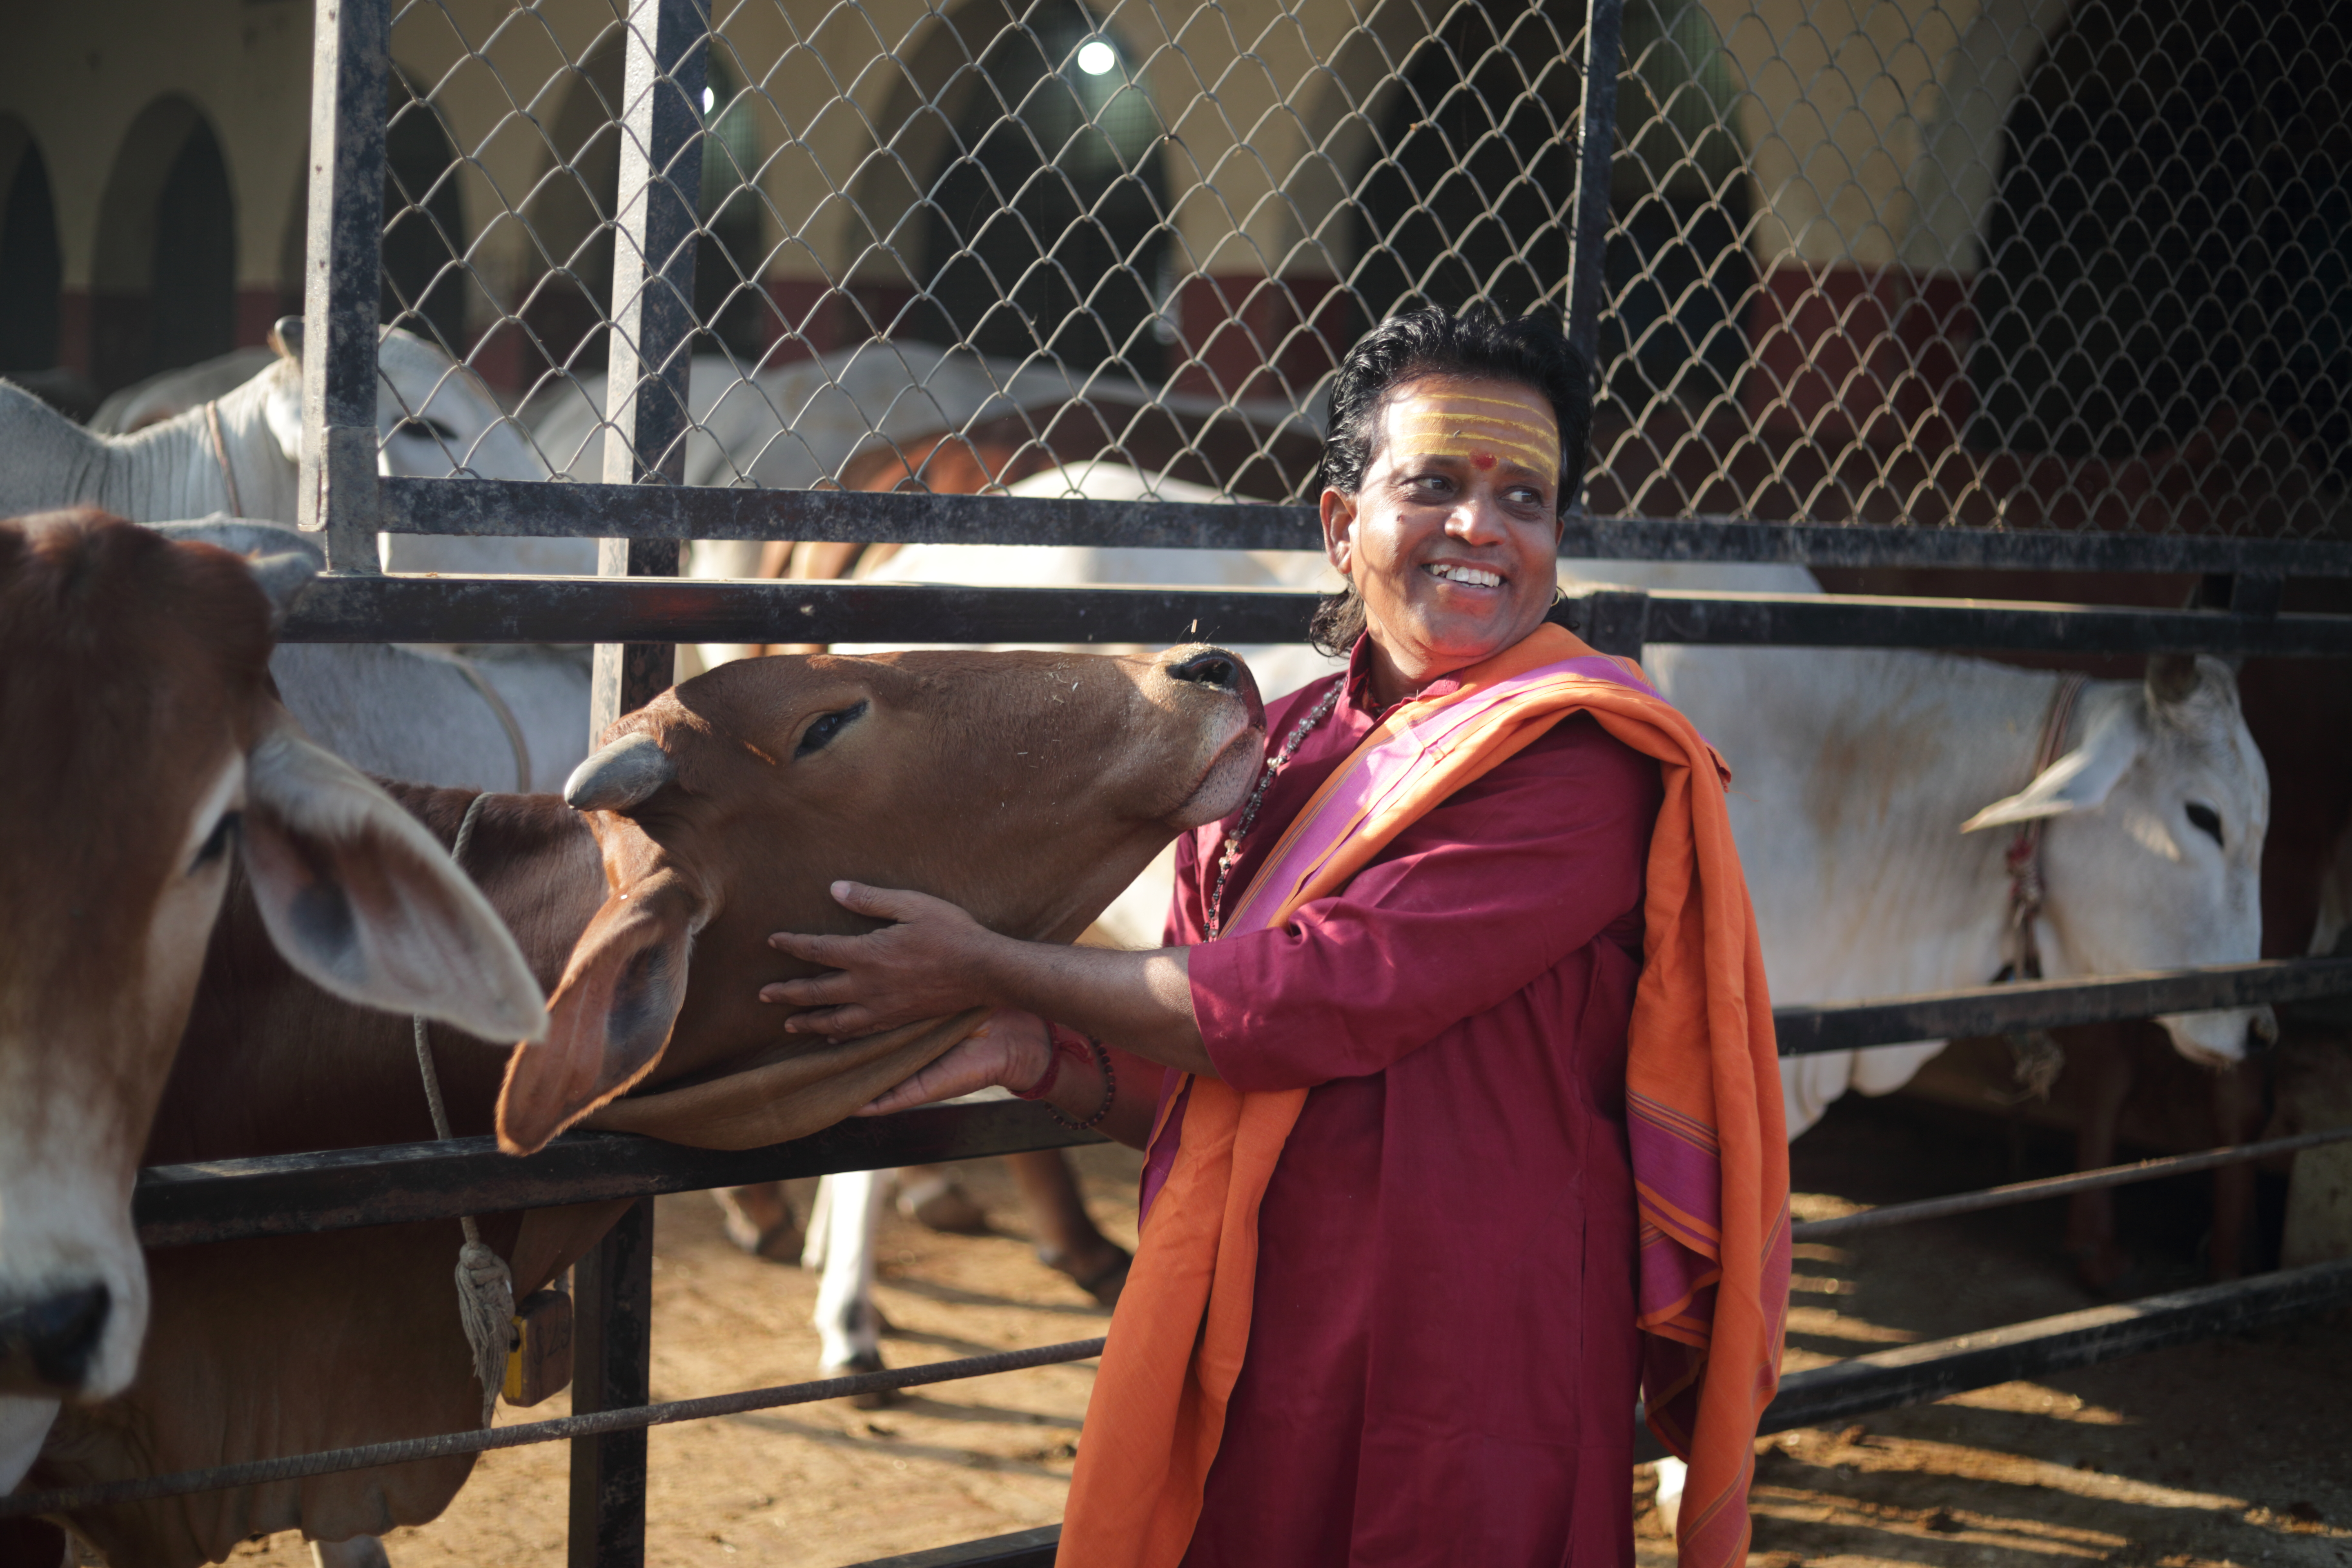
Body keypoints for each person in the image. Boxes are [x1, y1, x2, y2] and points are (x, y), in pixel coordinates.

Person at [759, 308, 1789, 1568]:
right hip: (1265, 1345)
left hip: (1484, 1374)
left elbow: (1317, 998)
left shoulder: (1582, 758)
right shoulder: (1269, 748)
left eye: (1526, 497)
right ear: (1338, 523)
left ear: (1557, 540)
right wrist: (1035, 1052)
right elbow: (1214, 1094)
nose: (1481, 527)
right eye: (1433, 486)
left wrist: (984, 960)